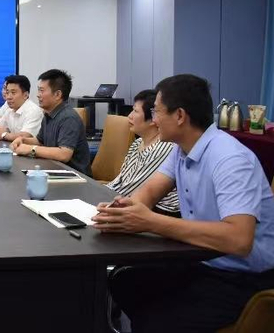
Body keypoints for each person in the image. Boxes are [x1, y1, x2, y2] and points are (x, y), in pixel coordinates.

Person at [94, 74, 274, 333]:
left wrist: (150, 221)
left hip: (243, 278)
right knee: (124, 281)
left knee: (157, 320)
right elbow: (150, 192)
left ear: (179, 116)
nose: (154, 120)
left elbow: (239, 240)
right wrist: (124, 209)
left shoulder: (230, 159)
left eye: (157, 111)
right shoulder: (182, 148)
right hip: (202, 261)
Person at [106, 89, 179, 216]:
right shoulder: (137, 143)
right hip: (134, 203)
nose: (129, 116)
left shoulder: (164, 147)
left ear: (152, 119)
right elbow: (121, 180)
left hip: (161, 211)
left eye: (135, 111)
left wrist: (97, 194)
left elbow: (132, 189)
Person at [10, 69, 91, 175]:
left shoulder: (68, 118)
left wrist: (31, 149)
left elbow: (64, 154)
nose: (38, 95)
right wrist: (23, 140)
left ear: (57, 94)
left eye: (42, 91)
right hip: (53, 169)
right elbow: (40, 141)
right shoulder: (48, 114)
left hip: (74, 175)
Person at [0, 75, 42, 142]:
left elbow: (25, 136)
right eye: (7, 92)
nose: (8, 97)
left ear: (25, 95)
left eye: (13, 93)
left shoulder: (33, 111)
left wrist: (3, 134)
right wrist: (0, 132)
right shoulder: (10, 110)